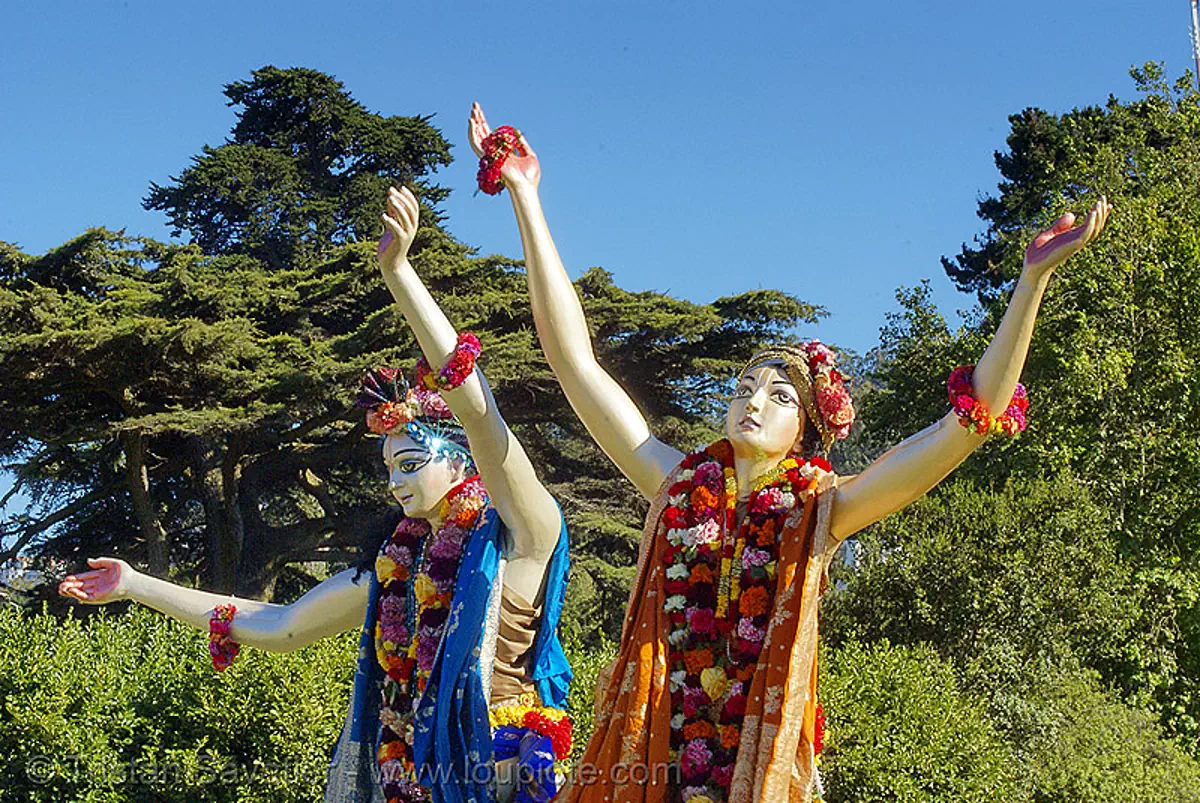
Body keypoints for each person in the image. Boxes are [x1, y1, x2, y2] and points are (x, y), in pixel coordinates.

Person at [466, 102, 1110, 803]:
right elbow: (574, 362)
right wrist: (527, 197)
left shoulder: (821, 505)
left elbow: (965, 423)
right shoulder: (675, 482)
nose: (751, 400)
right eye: (744, 386)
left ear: (805, 429)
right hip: (652, 767)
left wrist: (1031, 283)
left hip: (759, 774)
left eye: (777, 395)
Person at [59, 185, 573, 803]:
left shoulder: (524, 534)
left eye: (410, 462)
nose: (395, 480)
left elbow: (478, 408)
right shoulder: (394, 571)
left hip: (500, 772)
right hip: (406, 780)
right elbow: (278, 625)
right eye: (388, 466)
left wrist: (400, 275)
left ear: (463, 457)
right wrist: (136, 585)